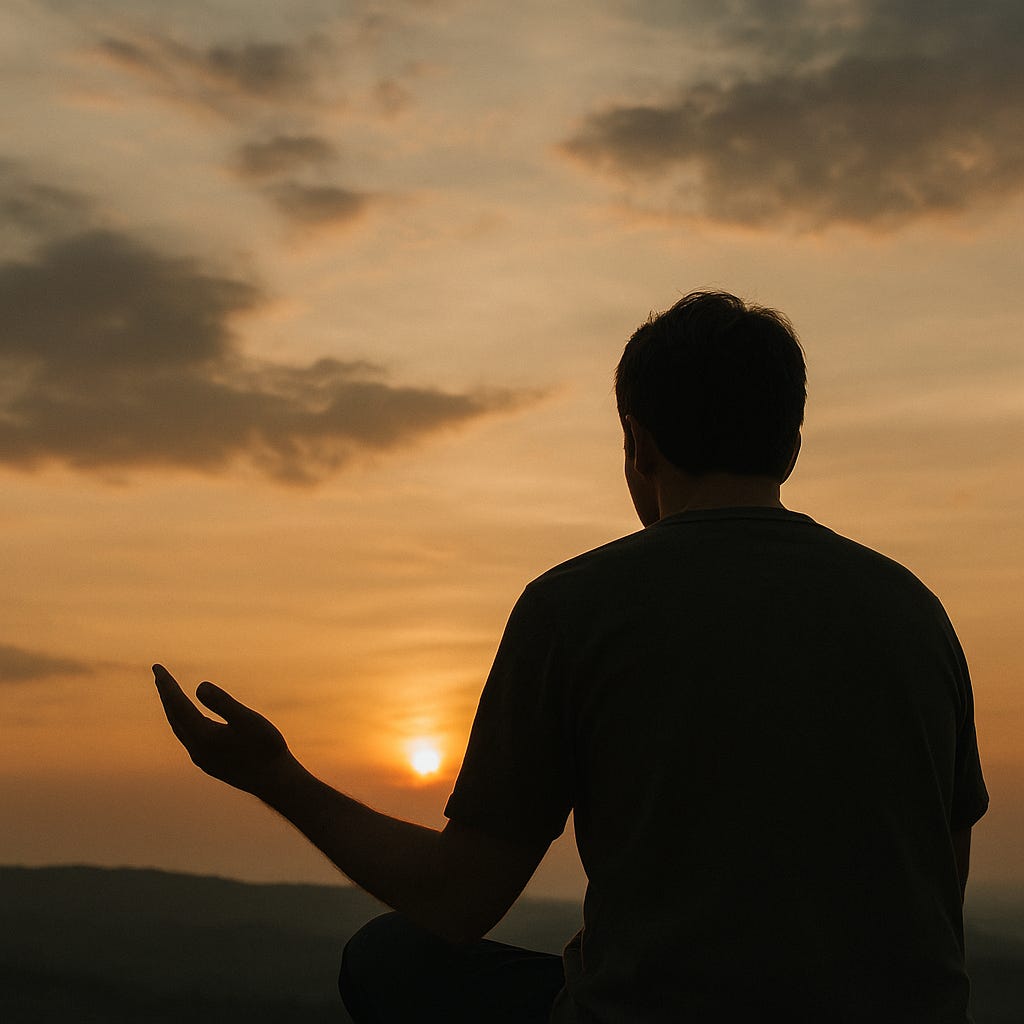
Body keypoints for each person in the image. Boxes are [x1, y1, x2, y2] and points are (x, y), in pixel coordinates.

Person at [153, 290, 988, 1023]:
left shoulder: (579, 605)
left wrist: (275, 775)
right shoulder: (916, 611)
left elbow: (458, 899)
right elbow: (936, 895)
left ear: (639, 441)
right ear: (791, 443)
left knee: (389, 960)